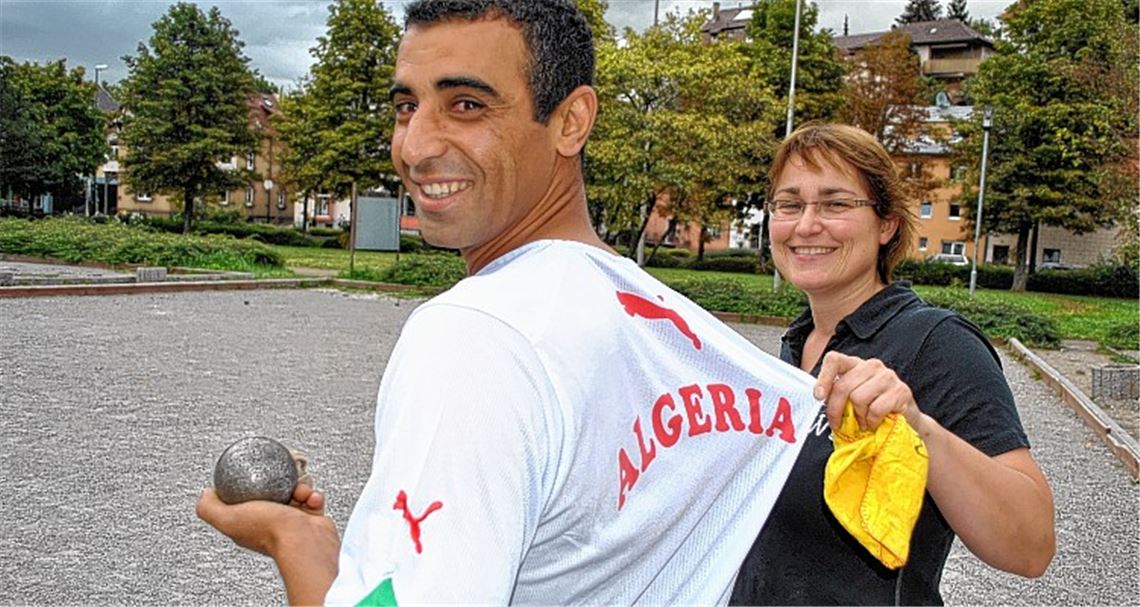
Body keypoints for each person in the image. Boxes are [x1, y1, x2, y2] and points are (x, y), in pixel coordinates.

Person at [196, 1, 826, 604]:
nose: (415, 147)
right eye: (407, 106)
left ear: (571, 121)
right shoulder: (663, 324)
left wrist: (296, 545)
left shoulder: (477, 334)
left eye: (467, 105)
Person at [729, 124, 1056, 606]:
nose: (806, 225)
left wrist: (918, 427)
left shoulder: (938, 344)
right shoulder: (796, 346)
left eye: (835, 204)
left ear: (887, 225)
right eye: (789, 204)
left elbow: (1031, 546)